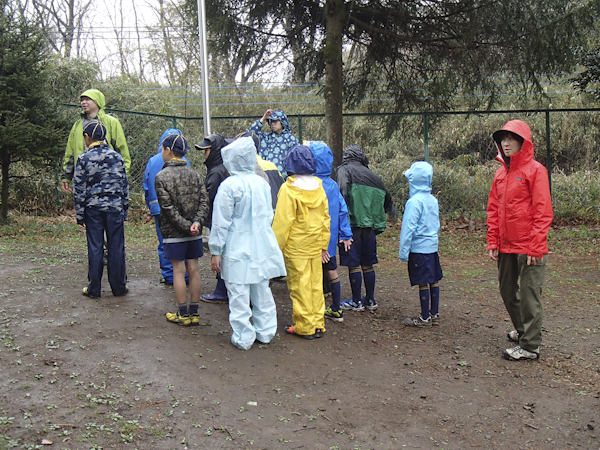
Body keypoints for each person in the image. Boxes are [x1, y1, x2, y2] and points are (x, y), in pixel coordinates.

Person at [209, 136, 286, 350]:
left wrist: (216, 251)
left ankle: (243, 336)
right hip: (261, 245)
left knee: (238, 294)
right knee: (261, 291)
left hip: (236, 247)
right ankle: (266, 332)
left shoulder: (229, 186)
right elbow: (268, 214)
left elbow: (220, 222)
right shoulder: (261, 183)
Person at [487, 119, 553, 361]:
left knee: (528, 295)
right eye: (503, 139)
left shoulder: (536, 170)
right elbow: (493, 209)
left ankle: (530, 346)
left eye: (511, 138)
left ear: (522, 143)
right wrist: (493, 241)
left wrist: (536, 246)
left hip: (529, 247)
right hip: (506, 246)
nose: (506, 143)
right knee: (507, 291)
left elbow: (543, 211)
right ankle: (524, 331)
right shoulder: (500, 173)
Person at [272, 144, 330, 340]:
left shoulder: (288, 189)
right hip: (314, 246)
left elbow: (282, 222)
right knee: (315, 285)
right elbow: (325, 218)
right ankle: (317, 323)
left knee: (300, 287)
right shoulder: (319, 187)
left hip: (296, 247)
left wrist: (276, 247)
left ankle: (304, 326)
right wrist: (324, 244)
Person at [155, 134, 209, 326]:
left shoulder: (161, 177)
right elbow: (204, 201)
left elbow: (167, 209)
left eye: (162, 149)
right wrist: (196, 223)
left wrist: (186, 225)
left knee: (179, 271)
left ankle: (183, 314)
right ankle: (195, 312)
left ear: (168, 150)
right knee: (194, 269)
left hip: (174, 233)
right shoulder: (195, 174)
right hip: (194, 232)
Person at [337, 145, 397, 312]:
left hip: (352, 225)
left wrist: (340, 222)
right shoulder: (374, 176)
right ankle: (370, 300)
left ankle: (356, 301)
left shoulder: (344, 170)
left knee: (353, 264)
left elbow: (342, 193)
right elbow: (388, 202)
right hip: (370, 227)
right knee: (368, 264)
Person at [73, 120, 128, 298]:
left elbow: (79, 189)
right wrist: (124, 210)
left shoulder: (83, 158)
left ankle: (94, 288)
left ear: (87, 137)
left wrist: (80, 215)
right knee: (116, 247)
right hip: (114, 208)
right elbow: (124, 186)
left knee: (95, 247)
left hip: (93, 209)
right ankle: (119, 287)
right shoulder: (117, 157)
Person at [309, 142, 353, 323]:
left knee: (313, 276)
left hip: (313, 241)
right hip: (330, 241)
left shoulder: (310, 185)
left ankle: (314, 311)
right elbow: (343, 210)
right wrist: (346, 234)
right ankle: (336, 308)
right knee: (332, 271)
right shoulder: (333, 185)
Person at [399, 161, 443, 326]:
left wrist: (404, 252)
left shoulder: (414, 202)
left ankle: (425, 317)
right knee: (434, 279)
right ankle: (434, 313)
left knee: (423, 281)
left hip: (419, 249)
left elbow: (408, 229)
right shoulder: (432, 200)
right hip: (432, 247)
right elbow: (436, 224)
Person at [143, 129, 189, 285]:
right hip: (182, 209)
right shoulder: (185, 161)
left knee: (164, 242)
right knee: (183, 239)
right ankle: (185, 274)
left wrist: (150, 206)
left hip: (159, 208)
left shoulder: (153, 160)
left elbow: (146, 185)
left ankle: (169, 274)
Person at [63, 89, 130, 193]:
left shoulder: (111, 122)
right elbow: (70, 153)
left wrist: (123, 175)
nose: (83, 102)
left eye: (88, 99)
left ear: (97, 101)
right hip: (83, 177)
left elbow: (122, 151)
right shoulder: (77, 125)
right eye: (82, 100)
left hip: (108, 178)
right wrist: (67, 176)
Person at [196, 134, 231, 304]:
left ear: (215, 151)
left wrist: (200, 220)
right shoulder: (221, 168)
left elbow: (210, 199)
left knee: (221, 253)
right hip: (222, 220)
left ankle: (222, 290)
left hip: (219, 221)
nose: (204, 155)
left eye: (206, 151)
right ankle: (223, 289)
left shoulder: (217, 172)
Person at [248, 109, 299, 176]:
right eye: (271, 121)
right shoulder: (265, 137)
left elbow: (297, 160)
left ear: (282, 122)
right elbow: (250, 136)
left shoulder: (291, 139)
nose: (272, 124)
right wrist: (263, 119)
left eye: (275, 121)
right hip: (264, 177)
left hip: (283, 179)